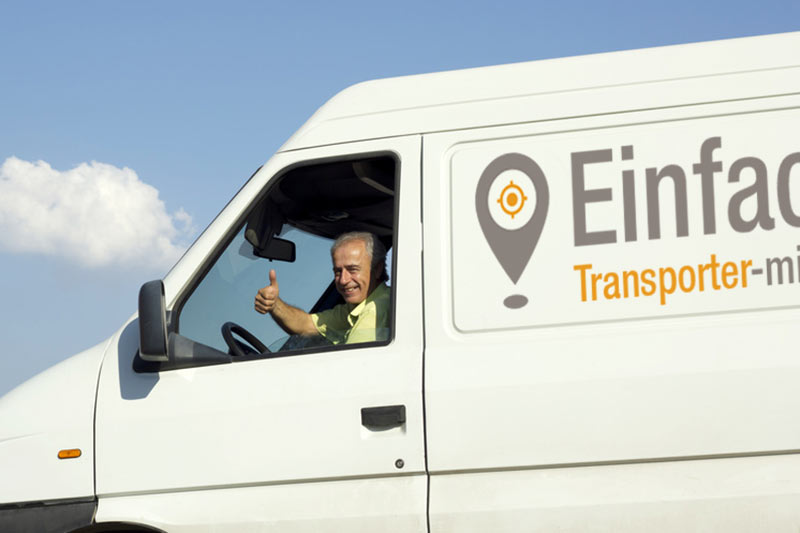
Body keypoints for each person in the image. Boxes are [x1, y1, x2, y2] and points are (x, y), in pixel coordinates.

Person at [254, 231, 390, 345]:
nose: (343, 280)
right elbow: (306, 325)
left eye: (352, 269)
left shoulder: (376, 310)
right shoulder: (357, 307)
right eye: (338, 271)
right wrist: (274, 304)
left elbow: (349, 365)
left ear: (377, 269)